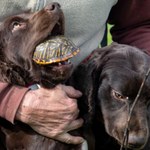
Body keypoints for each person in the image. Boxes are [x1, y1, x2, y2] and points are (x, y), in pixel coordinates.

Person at [0, 0, 118, 145]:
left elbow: (140, 25)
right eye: (16, 25)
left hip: (87, 93)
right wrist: (11, 100)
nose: (52, 6)